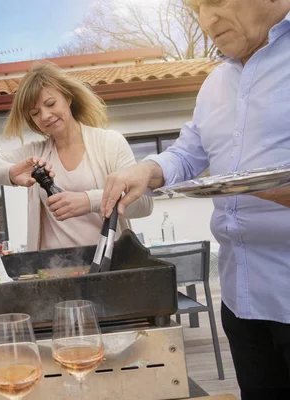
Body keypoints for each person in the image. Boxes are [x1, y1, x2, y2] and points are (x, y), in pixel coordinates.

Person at [101, 0, 290, 397]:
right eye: (196, 8)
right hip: (242, 302)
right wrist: (146, 170)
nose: (206, 20)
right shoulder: (215, 83)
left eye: (215, 1)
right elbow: (188, 153)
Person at [0, 62, 153, 251]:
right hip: (52, 268)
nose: (45, 116)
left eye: (51, 104)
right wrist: (12, 172)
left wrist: (89, 201)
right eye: (35, 113)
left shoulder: (110, 143)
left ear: (68, 98)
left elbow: (144, 203)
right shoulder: (35, 154)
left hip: (108, 267)